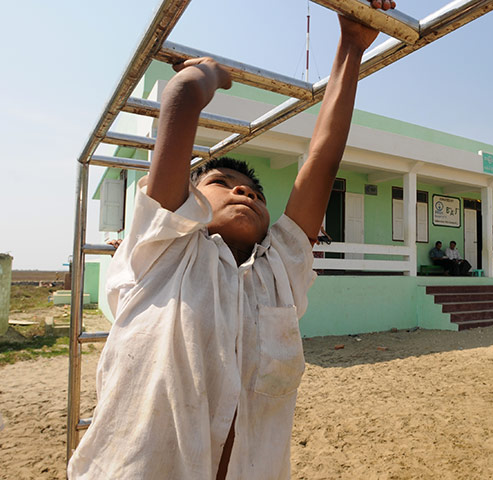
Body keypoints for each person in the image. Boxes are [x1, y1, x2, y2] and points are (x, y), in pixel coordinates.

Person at [67, 3, 397, 479]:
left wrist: (350, 44)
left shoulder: (279, 274)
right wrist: (203, 77)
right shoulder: (164, 251)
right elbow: (179, 101)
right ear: (190, 203)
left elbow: (322, 160)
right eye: (221, 182)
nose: (243, 190)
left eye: (256, 192)